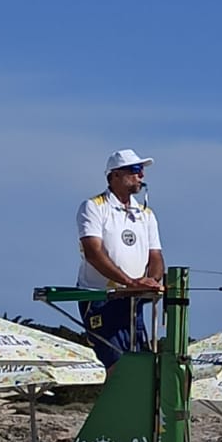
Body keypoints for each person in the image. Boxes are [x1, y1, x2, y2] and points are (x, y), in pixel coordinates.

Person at [77, 149, 164, 368]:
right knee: (115, 365)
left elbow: (156, 256)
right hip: (101, 298)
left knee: (137, 365)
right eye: (135, 170)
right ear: (115, 175)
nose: (140, 176)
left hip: (132, 299)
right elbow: (93, 252)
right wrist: (130, 282)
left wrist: (151, 281)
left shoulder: (146, 214)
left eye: (141, 171)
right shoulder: (94, 207)